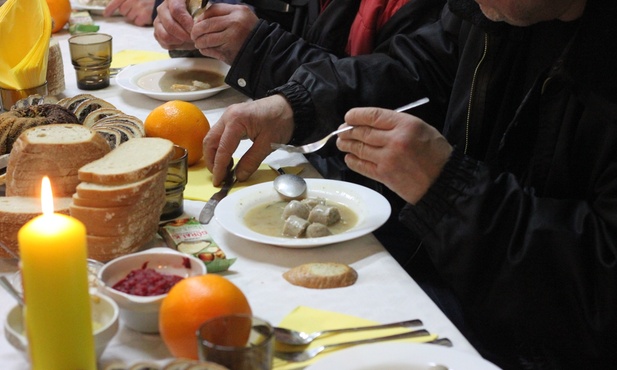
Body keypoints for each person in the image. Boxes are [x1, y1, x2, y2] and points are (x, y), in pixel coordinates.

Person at [203, 0, 617, 367]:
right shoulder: (495, 10)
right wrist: (298, 103)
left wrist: (448, 190)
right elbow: (416, 68)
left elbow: (598, 296)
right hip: (454, 281)